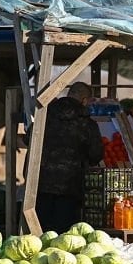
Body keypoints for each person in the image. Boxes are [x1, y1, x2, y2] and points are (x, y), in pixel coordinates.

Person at [29, 81, 104, 233]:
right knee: (64, 236)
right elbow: (96, 154)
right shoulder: (86, 124)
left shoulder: (45, 116)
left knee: (40, 233)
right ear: (84, 100)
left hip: (41, 184)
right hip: (70, 188)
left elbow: (28, 140)